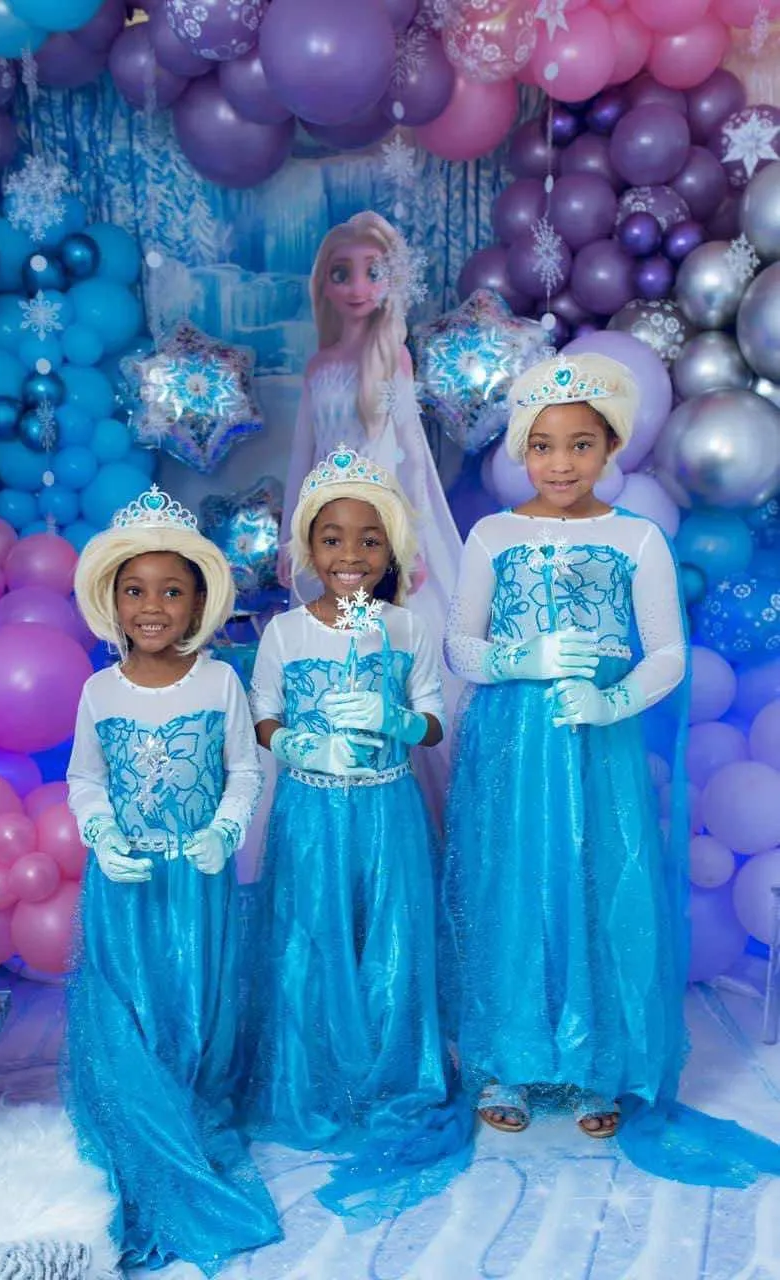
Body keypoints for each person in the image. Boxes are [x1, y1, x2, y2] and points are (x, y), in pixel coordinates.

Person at [440, 352, 780, 1185]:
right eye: (543, 445)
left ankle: (595, 1060)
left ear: (613, 448)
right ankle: (512, 1058)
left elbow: (667, 652)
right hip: (514, 742)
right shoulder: (493, 536)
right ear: (522, 449)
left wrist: (612, 700)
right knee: (514, 883)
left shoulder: (636, 539)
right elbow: (460, 646)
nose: (561, 463)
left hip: (599, 740)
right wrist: (521, 659)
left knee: (597, 881)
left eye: (581, 445)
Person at [243, 445, 471, 1226]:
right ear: (309, 548)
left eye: (369, 540)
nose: (351, 554)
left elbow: (434, 717)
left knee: (392, 943)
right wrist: (297, 745)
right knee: (311, 942)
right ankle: (317, 1079)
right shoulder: (284, 632)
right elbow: (263, 711)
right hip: (310, 816)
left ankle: (393, 1074)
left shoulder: (406, 627)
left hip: (386, 811)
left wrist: (397, 720)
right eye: (333, 538)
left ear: (390, 549)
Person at [66, 485, 280, 1274]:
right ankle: (138, 1107)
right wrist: (100, 834)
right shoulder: (99, 692)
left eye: (170, 591)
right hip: (123, 881)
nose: (151, 606)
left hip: (196, 879)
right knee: (129, 1000)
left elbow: (244, 770)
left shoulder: (219, 682)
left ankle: (191, 1095)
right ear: (113, 601)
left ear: (196, 604)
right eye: (135, 590)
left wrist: (225, 829)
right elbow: (85, 778)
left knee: (197, 995)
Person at [279, 212, 462, 802]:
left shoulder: (392, 359)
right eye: (342, 274)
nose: (358, 287)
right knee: (333, 656)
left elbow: (412, 455)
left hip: (383, 533)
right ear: (325, 285)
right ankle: (340, 790)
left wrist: (415, 541)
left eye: (372, 272)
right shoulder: (319, 366)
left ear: (391, 281)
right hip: (328, 534)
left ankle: (414, 802)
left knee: (396, 661)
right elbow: (303, 455)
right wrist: (289, 537)